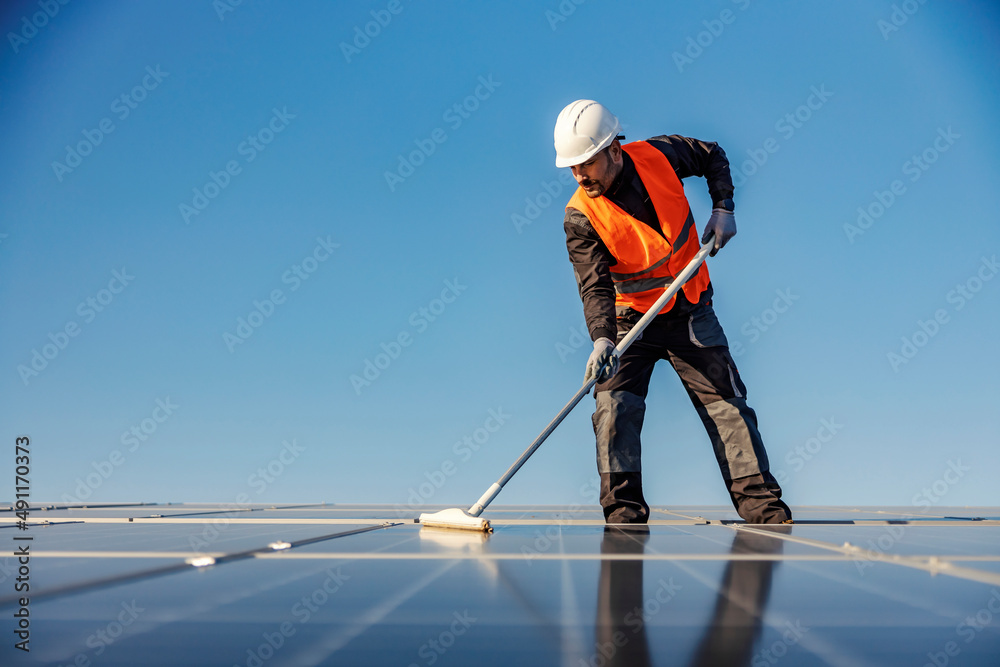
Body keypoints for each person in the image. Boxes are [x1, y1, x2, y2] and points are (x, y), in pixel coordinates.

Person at [554, 100, 791, 525]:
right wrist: (602, 338)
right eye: (571, 167)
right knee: (613, 409)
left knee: (729, 409)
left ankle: (765, 514)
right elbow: (594, 284)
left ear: (613, 149)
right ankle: (623, 518)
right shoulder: (580, 216)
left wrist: (724, 208)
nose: (579, 175)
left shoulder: (659, 155)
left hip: (691, 311)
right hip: (630, 325)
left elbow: (712, 154)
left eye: (585, 163)